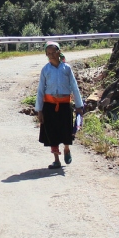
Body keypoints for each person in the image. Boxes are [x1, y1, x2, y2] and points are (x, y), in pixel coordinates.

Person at [35, 41, 84, 170]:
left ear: (59, 52)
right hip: (49, 106)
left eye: (53, 52)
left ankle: (67, 148)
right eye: (48, 53)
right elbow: (40, 90)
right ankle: (56, 159)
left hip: (64, 105)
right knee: (52, 133)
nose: (51, 55)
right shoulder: (45, 70)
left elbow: (74, 86)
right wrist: (39, 110)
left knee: (66, 130)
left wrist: (79, 106)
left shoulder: (66, 69)